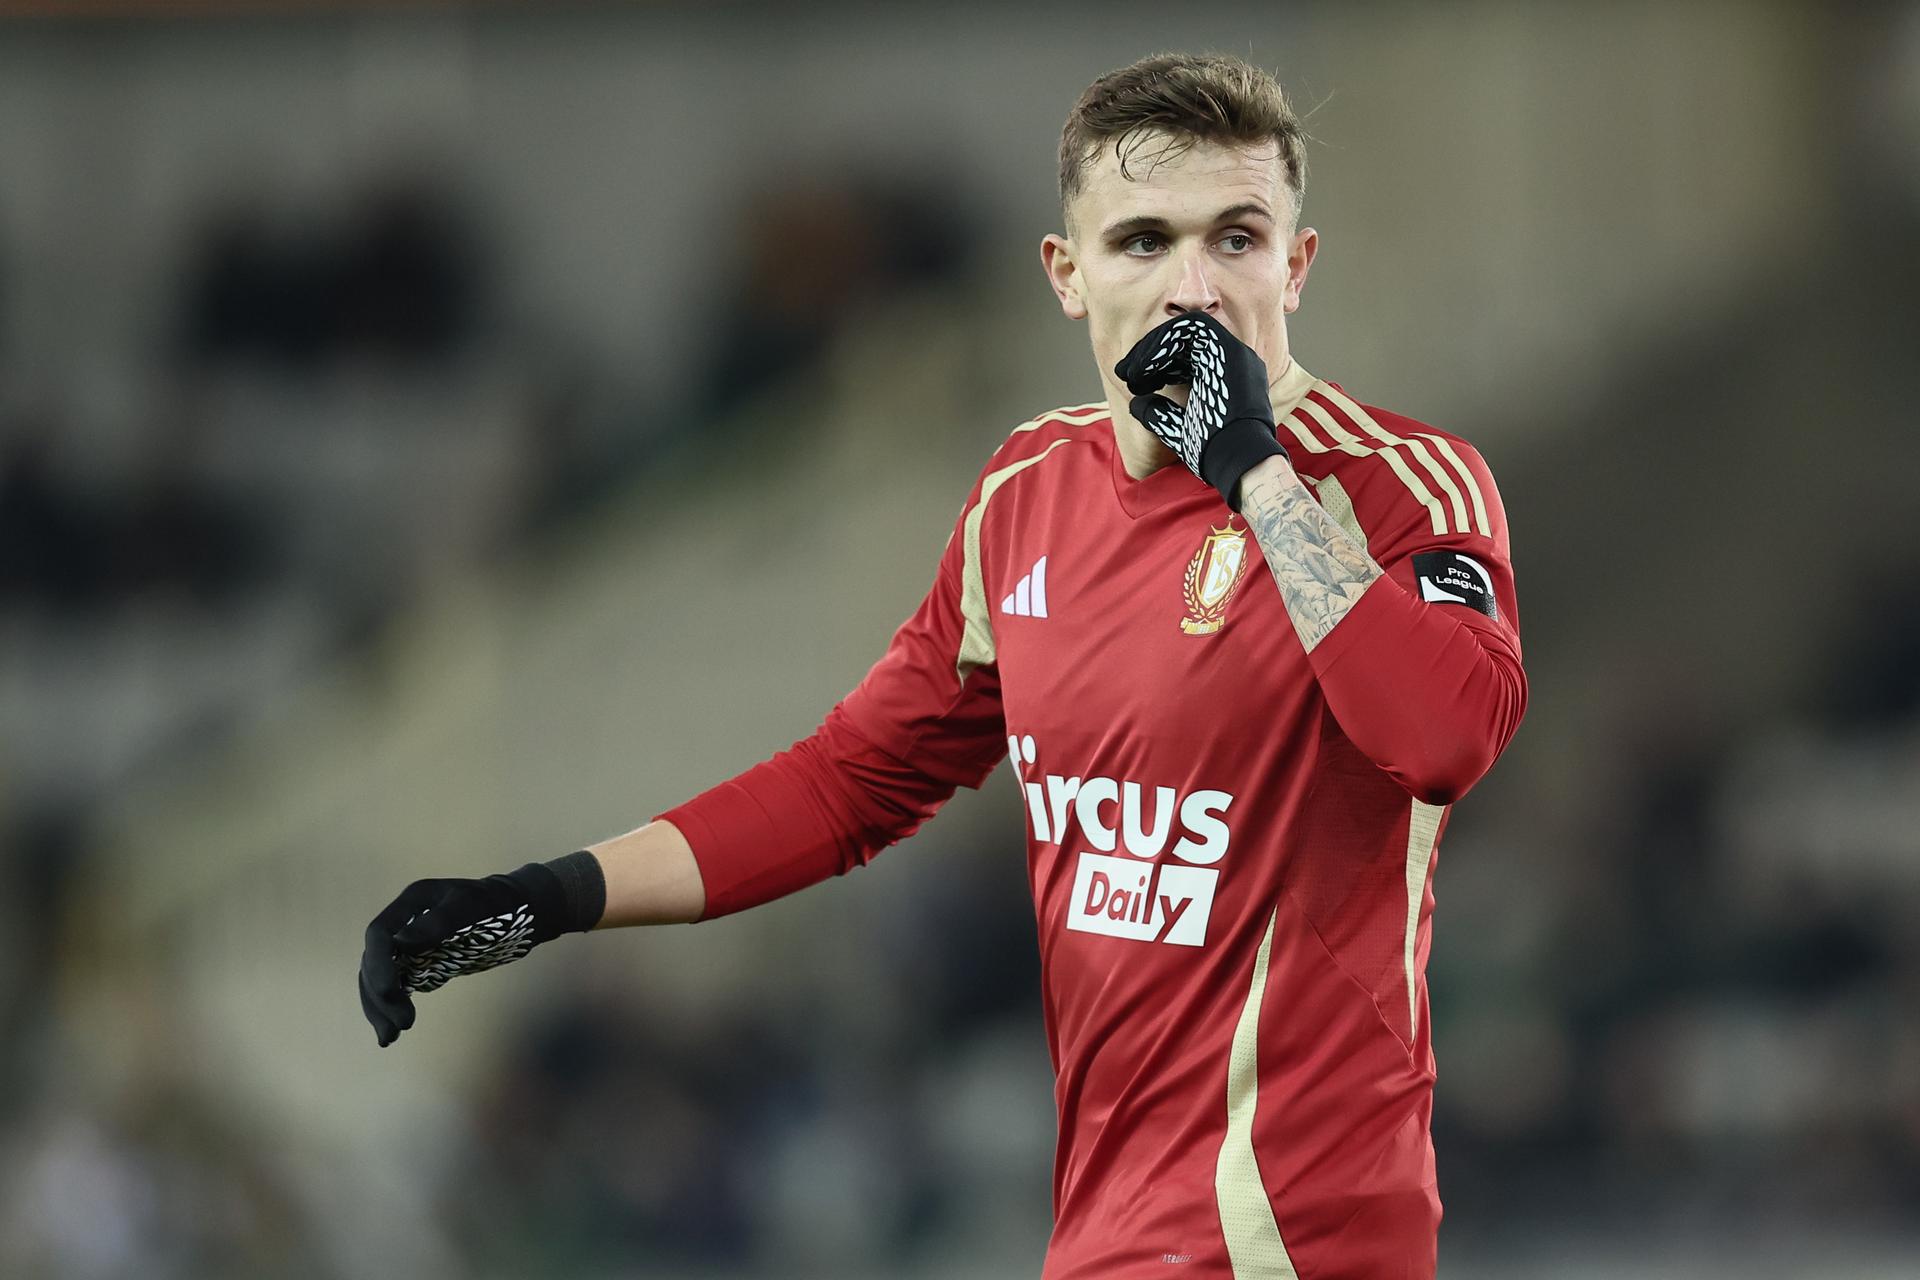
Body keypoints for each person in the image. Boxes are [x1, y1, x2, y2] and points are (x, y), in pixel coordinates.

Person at [359, 52, 1527, 1279]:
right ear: (1066, 277)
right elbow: (849, 783)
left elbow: (1446, 736)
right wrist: (548, 896)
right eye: (1142, 242)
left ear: (1296, 263)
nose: (1195, 287)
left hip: (1298, 1237)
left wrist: (1253, 471)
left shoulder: (1402, 484)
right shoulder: (1027, 495)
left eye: (1236, 237)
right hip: (1103, 1236)